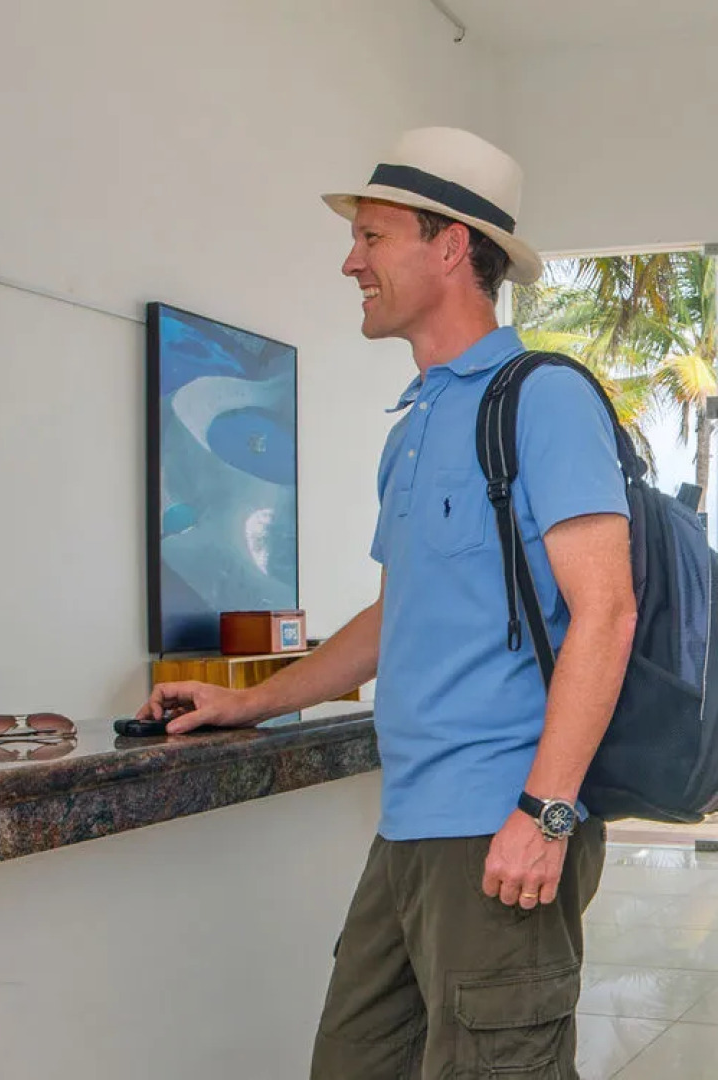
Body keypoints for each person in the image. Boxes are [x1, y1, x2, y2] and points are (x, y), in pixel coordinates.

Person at [138, 127, 636, 1077]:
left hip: (502, 822)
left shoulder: (544, 400)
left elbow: (606, 612)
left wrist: (548, 812)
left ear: (450, 245)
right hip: (409, 827)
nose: (349, 261)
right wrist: (247, 700)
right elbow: (388, 619)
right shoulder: (412, 428)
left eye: (373, 237)